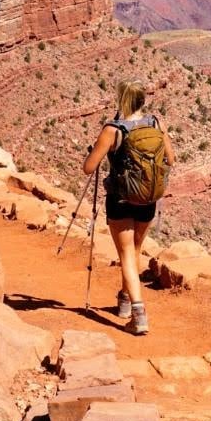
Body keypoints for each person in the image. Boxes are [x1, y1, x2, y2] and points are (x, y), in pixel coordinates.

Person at [83, 80, 174, 335]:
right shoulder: (156, 123)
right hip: (148, 200)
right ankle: (124, 301)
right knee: (134, 252)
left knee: (126, 256)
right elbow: (171, 159)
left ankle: (138, 313)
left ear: (121, 101)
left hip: (121, 200)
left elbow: (89, 168)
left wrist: (98, 151)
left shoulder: (113, 129)